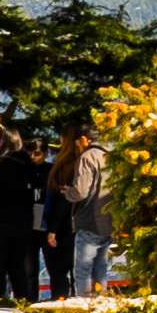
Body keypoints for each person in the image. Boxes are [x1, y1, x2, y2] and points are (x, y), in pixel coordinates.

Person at [0, 117, 52, 306]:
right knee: (19, 271)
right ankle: (22, 306)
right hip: (23, 228)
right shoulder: (27, 166)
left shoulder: (0, 165)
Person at [56, 126, 109, 294]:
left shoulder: (87, 157)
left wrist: (67, 192)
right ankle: (101, 304)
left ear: (84, 139)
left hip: (89, 220)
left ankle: (84, 306)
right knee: (100, 269)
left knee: (83, 270)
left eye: (77, 141)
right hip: (108, 221)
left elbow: (80, 191)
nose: (77, 145)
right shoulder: (109, 156)